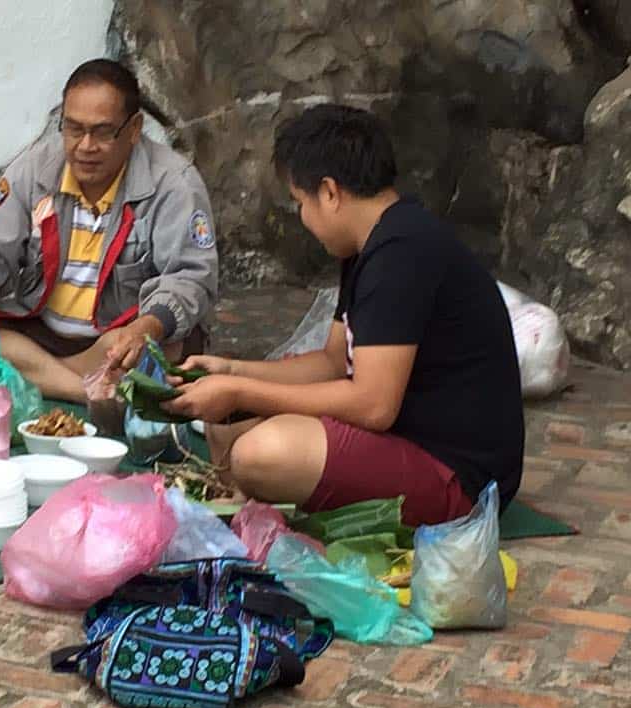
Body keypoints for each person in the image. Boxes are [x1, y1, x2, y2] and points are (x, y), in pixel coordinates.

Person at [164, 104, 524, 527]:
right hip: (400, 439)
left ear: (330, 192)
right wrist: (229, 370)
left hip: (459, 478)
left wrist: (242, 392)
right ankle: (243, 503)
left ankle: (256, 496)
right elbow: (334, 362)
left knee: (260, 453)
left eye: (300, 202)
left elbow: (374, 406)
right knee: (225, 423)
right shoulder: (369, 246)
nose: (302, 217)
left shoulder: (402, 253)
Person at [0, 59, 218, 403]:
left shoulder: (174, 184)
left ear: (134, 129)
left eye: (102, 132)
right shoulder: (36, 168)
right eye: (73, 129)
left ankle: (43, 377)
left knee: (159, 348)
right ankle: (87, 391)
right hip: (41, 332)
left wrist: (145, 327)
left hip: (112, 339)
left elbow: (191, 279)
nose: (85, 146)